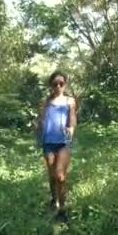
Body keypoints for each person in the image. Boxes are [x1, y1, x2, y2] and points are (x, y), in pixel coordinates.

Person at [36, 71, 77, 222]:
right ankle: (54, 201)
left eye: (61, 83)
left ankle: (63, 209)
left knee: (60, 176)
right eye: (55, 84)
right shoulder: (46, 102)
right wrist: (38, 134)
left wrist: (71, 128)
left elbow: (72, 117)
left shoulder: (70, 100)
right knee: (52, 175)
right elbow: (41, 120)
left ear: (65, 84)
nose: (58, 86)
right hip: (48, 142)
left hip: (63, 142)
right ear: (51, 85)